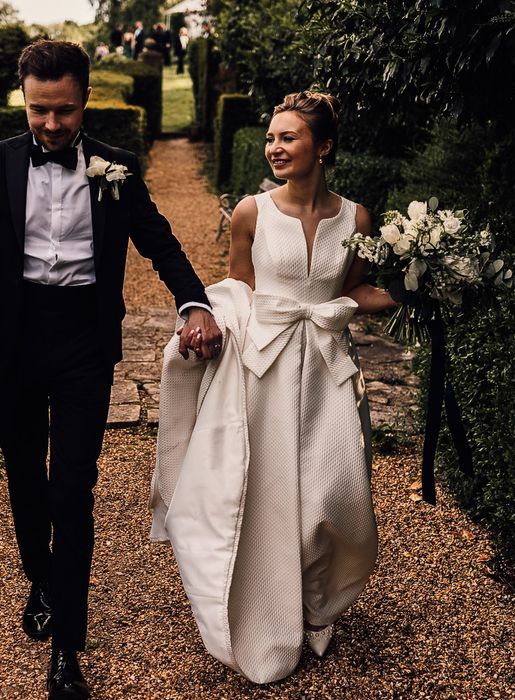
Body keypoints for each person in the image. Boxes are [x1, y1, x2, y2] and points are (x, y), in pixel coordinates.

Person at [0, 39, 222, 700]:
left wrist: (194, 301)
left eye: (63, 111)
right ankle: (40, 573)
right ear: (25, 102)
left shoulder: (111, 167)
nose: (53, 125)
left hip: (82, 349)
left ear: (84, 100)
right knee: (27, 487)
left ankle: (67, 645)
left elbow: (156, 238)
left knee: (72, 491)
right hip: (7, 343)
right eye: (40, 111)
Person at [150, 91, 399, 683]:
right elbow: (238, 290)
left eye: (288, 137)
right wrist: (205, 339)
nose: (274, 147)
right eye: (270, 137)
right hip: (264, 368)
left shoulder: (356, 218)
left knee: (337, 490)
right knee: (264, 494)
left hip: (329, 368)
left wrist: (418, 294)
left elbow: (357, 292)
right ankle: (272, 613)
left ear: (324, 147)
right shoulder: (251, 212)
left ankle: (320, 598)